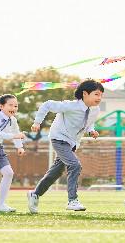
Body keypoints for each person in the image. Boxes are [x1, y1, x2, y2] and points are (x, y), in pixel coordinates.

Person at [27, 79, 104, 213]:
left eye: (101, 95)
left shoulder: (95, 110)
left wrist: (91, 130)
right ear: (85, 94)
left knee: (55, 173)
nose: (99, 98)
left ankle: (35, 194)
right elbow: (47, 105)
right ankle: (72, 200)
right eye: (96, 94)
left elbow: (88, 122)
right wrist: (37, 122)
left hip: (72, 143)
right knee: (75, 165)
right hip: (59, 138)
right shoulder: (70, 106)